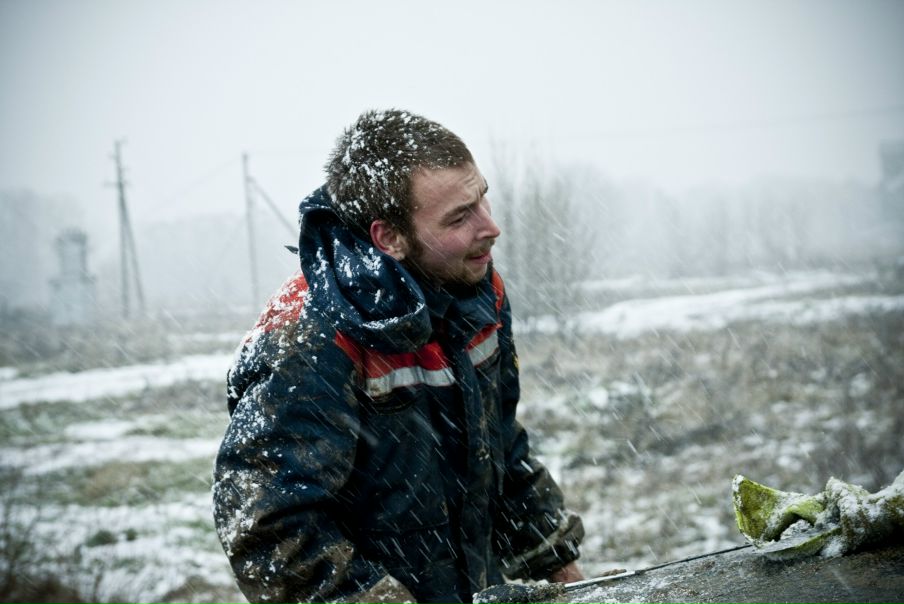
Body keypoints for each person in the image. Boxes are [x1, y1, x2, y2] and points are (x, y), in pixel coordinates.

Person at [212, 109, 585, 604]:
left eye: (481, 198)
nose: (490, 227)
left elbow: (499, 445)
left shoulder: (479, 292)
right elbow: (269, 529)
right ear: (389, 237)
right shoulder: (310, 336)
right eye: (459, 217)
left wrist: (556, 563)